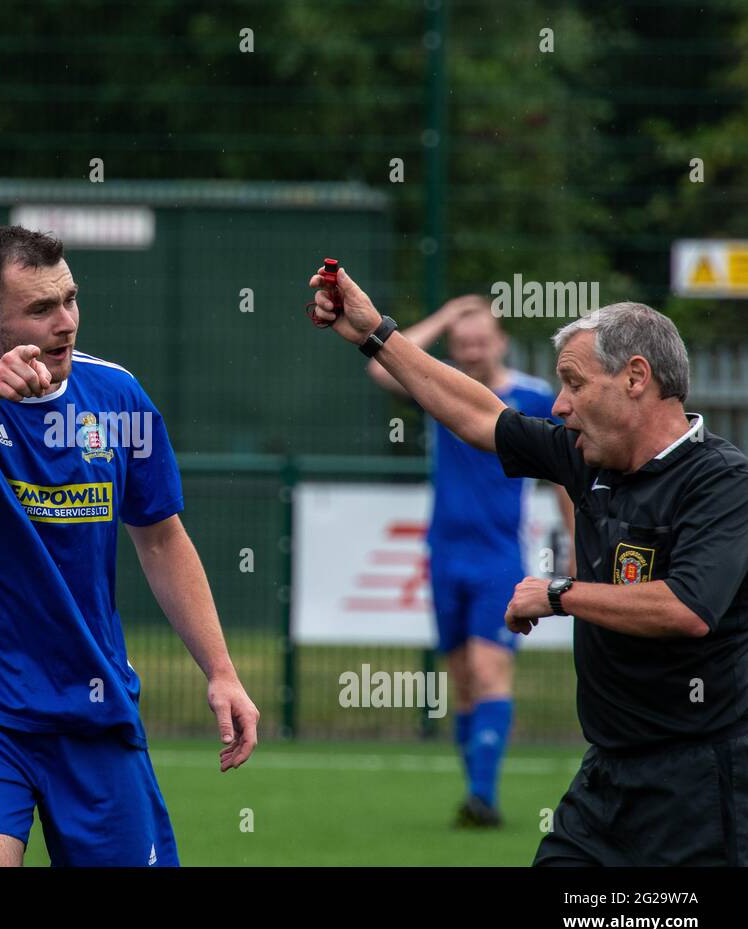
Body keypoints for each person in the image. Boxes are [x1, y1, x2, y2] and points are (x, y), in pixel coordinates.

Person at [309, 268, 748, 866]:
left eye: (573, 383)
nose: (560, 404)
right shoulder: (585, 457)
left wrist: (560, 592)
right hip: (607, 779)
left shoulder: (722, 482)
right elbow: (477, 416)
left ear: (636, 378)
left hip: (701, 785)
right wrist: (374, 333)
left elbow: (688, 608)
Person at [0, 225, 259, 867]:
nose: (65, 322)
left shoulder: (116, 395)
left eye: (70, 299)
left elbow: (163, 540)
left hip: (96, 709)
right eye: (40, 309)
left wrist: (222, 672)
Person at [364, 295, 575, 827]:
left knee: (487, 669)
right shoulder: (444, 394)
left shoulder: (533, 396)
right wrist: (446, 314)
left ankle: (483, 797)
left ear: (500, 341)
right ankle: (475, 789)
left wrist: (578, 541)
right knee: (460, 679)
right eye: (462, 344)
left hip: (498, 558)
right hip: (444, 556)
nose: (472, 350)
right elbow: (380, 368)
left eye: (481, 340)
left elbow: (563, 476)